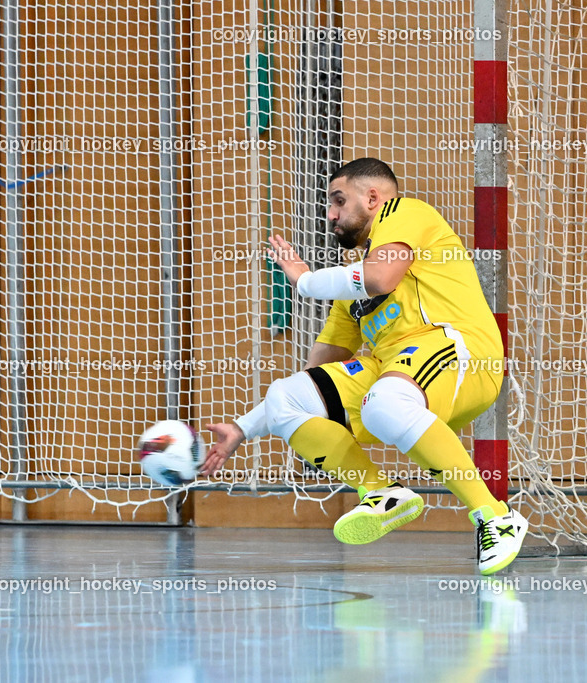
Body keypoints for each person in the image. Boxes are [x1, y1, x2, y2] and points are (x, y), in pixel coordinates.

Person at [200, 158, 527, 575]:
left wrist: (304, 281)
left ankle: (495, 516)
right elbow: (318, 375)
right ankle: (380, 492)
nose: (331, 214)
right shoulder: (349, 288)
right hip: (397, 373)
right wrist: (244, 428)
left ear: (373, 197)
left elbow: (380, 278)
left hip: (459, 352)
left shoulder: (405, 212)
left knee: (383, 402)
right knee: (289, 397)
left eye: (338, 200)